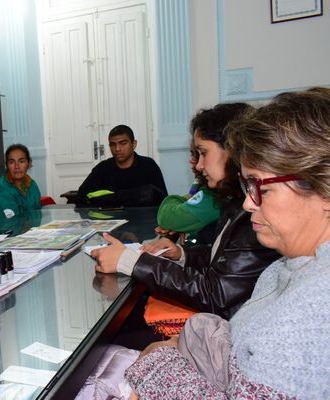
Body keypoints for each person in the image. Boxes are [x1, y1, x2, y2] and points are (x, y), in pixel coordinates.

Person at [118, 88, 330, 399]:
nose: (248, 203)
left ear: (323, 189)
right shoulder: (291, 266)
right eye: (247, 186)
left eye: (261, 188)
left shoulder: (314, 306)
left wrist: (156, 363)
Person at [92, 103, 280, 319]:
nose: (198, 165)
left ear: (232, 150)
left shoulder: (254, 213)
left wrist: (131, 262)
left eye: (203, 153)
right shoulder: (235, 201)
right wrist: (182, 254)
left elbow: (215, 295)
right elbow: (223, 261)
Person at [76, 124, 168, 207]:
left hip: (143, 218)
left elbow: (163, 201)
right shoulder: (102, 168)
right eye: (113, 144)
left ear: (134, 144)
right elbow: (81, 197)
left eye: (123, 143)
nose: (117, 149)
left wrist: (112, 198)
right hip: (110, 218)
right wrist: (135, 196)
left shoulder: (148, 165)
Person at [0, 143, 41, 223]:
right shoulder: (0, 189)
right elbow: (9, 224)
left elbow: (37, 215)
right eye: (11, 162)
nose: (17, 166)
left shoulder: (32, 184)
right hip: (4, 230)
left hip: (29, 229)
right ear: (6, 165)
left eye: (21, 161)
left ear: (29, 163)